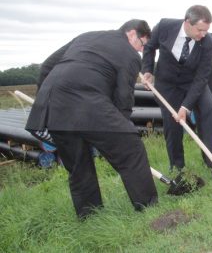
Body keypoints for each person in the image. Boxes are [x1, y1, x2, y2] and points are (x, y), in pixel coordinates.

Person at [26, 20, 158, 219]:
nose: (140, 50)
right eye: (142, 44)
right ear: (132, 34)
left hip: (54, 108)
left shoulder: (85, 37)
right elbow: (124, 98)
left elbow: (47, 66)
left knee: (78, 166)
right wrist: (118, 130)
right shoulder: (129, 54)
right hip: (88, 104)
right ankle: (148, 208)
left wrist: (46, 101)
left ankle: (90, 216)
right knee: (132, 150)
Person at [141, 5, 212, 179]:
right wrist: (148, 70)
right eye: (200, 30)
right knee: (173, 126)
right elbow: (149, 47)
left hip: (193, 83)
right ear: (187, 22)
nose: (203, 34)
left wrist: (186, 107)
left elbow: (202, 77)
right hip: (167, 85)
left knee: (210, 110)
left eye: (206, 30)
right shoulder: (165, 26)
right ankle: (179, 170)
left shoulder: (209, 42)